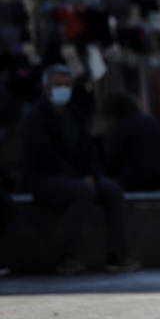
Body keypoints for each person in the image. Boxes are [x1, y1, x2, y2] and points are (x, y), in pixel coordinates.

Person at [21, 64, 141, 275]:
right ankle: (67, 257)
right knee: (82, 192)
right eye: (57, 85)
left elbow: (91, 149)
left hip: (81, 177)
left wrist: (91, 175)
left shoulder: (75, 113)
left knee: (112, 191)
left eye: (66, 84)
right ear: (46, 87)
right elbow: (44, 157)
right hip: (47, 179)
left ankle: (116, 254)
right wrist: (80, 178)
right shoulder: (35, 117)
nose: (62, 89)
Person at [102, 91, 160, 192]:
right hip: (157, 176)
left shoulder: (122, 127)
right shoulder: (151, 121)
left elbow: (113, 160)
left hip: (135, 179)